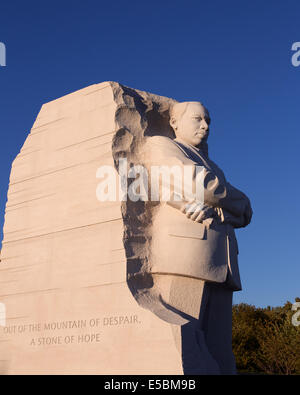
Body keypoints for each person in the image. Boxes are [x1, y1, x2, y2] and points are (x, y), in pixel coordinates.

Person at [141, 101, 252, 374]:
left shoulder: (213, 166)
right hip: (186, 259)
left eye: (208, 121)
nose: (205, 126)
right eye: (197, 119)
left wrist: (228, 205)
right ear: (175, 123)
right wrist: (235, 200)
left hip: (222, 264)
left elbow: (245, 213)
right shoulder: (163, 145)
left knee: (220, 348)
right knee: (185, 342)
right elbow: (200, 185)